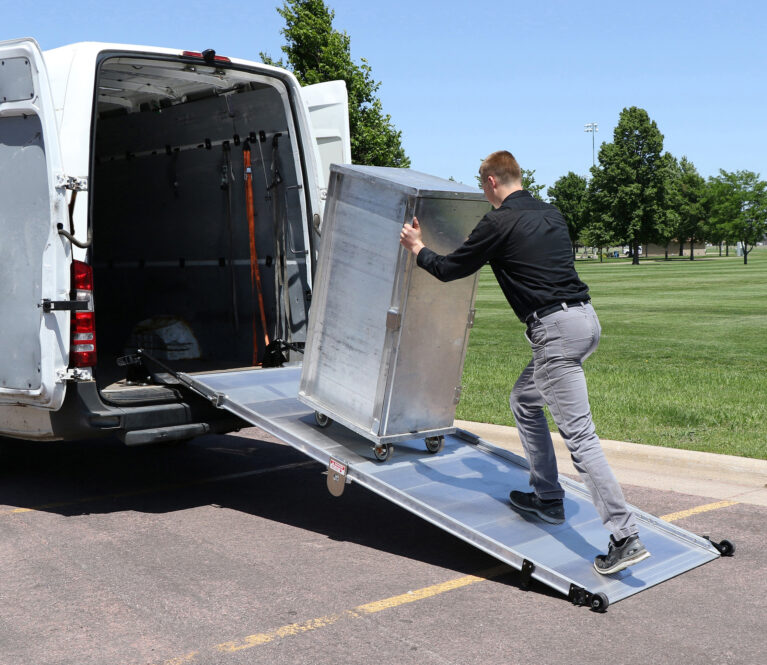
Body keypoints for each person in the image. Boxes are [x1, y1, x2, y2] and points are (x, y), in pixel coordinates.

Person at [399, 150, 650, 575]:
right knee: (523, 399)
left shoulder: (498, 221)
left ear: (492, 182)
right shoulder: (551, 212)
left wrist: (418, 248)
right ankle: (548, 498)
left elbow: (449, 268)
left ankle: (625, 536)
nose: (483, 193)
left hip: (553, 332)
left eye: (482, 186)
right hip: (585, 321)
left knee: (581, 438)